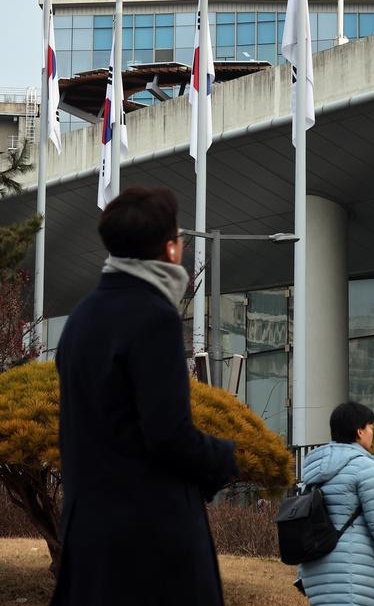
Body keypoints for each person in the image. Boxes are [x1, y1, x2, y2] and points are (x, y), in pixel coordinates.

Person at [50, 186, 238, 606]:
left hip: (90, 537)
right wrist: (225, 458)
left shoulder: (81, 317)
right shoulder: (153, 316)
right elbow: (168, 434)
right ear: (170, 249)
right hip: (148, 540)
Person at [298, 401, 374, 605]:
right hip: (350, 568)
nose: (372, 432)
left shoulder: (314, 468)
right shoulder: (364, 466)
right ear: (359, 431)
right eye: (370, 427)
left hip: (313, 567)